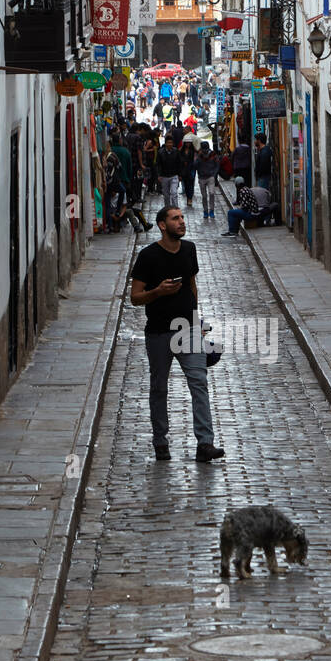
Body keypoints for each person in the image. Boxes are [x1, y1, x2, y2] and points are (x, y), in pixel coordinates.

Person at [129, 206, 225, 463]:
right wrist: (157, 292)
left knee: (199, 383)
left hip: (189, 329)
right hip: (158, 332)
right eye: (175, 219)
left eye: (182, 218)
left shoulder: (189, 249)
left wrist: (198, 320)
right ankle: (160, 440)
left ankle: (205, 443)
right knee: (159, 387)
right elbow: (134, 297)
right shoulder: (147, 256)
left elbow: (192, 285)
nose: (181, 222)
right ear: (162, 225)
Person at [156, 138, 185, 207]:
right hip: (164, 176)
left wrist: (180, 174)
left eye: (171, 143)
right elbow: (158, 164)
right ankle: (167, 208)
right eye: (168, 143)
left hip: (174, 175)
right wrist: (159, 175)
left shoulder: (176, 151)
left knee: (174, 193)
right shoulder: (160, 152)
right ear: (165, 143)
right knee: (166, 195)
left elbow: (179, 163)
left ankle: (175, 208)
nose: (170, 144)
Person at [196, 143, 220, 220]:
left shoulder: (213, 154)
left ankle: (212, 210)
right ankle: (205, 211)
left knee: (211, 193)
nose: (205, 152)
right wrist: (198, 158)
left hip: (210, 177)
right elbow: (195, 165)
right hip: (202, 178)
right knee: (204, 196)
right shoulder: (199, 155)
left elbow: (217, 165)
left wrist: (214, 174)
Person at [179, 140, 197, 207]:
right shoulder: (181, 151)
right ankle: (188, 197)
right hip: (184, 169)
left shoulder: (193, 151)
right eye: (186, 142)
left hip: (191, 169)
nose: (188, 144)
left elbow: (195, 159)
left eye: (189, 142)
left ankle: (190, 198)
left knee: (191, 184)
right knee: (186, 185)